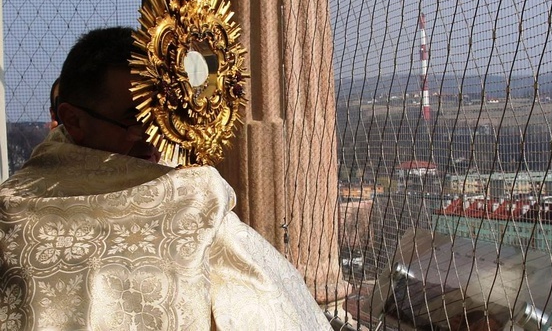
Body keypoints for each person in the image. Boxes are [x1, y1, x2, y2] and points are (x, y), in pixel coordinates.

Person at [0, 27, 331, 330]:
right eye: (134, 119)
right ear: (73, 120)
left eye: (161, 117)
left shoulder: (196, 194)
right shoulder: (12, 213)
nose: (154, 138)